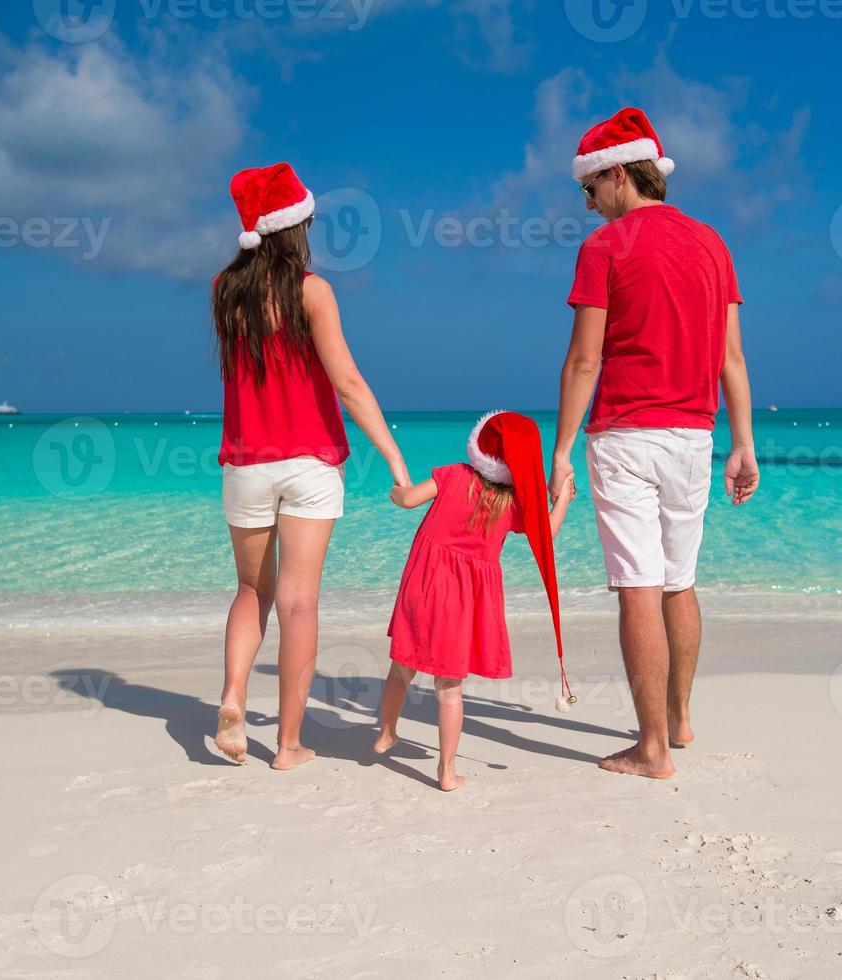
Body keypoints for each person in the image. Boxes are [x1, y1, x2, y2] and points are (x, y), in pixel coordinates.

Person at [550, 108, 760, 780]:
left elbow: (584, 361)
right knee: (680, 580)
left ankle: (651, 750)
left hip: (624, 436)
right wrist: (744, 442)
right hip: (695, 436)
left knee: (638, 586)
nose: (587, 205)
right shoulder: (712, 244)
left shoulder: (606, 249)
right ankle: (680, 718)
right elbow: (731, 356)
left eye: (589, 190)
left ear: (618, 174)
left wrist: (559, 450)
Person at [211, 162, 410, 770]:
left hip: (246, 463)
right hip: (310, 463)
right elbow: (347, 383)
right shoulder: (311, 291)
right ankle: (289, 745)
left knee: (252, 589)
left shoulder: (225, 290)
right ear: (294, 226)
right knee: (299, 603)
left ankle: (234, 694)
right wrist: (398, 465)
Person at [374, 411, 575, 791]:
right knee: (449, 690)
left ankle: (386, 732)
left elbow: (409, 499)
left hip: (423, 587)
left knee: (402, 667)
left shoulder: (452, 474)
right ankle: (446, 772)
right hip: (464, 605)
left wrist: (397, 491)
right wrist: (562, 498)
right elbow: (545, 534)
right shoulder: (512, 504)